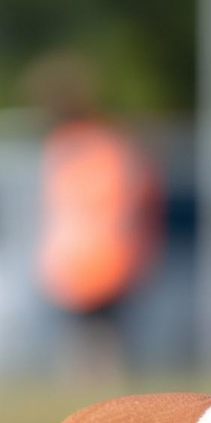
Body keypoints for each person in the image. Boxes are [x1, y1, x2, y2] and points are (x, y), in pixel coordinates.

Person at [25, 53, 162, 371]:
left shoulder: (96, 146)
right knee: (94, 342)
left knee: (97, 343)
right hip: (86, 263)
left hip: (100, 262)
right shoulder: (95, 145)